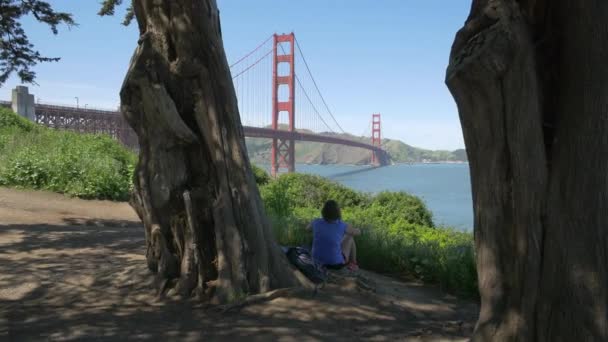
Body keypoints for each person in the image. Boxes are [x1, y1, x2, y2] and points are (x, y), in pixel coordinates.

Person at [305, 200, 361, 271]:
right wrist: (358, 229)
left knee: (338, 240)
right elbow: (357, 233)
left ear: (323, 211)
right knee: (350, 237)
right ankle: (353, 263)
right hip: (335, 264)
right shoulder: (342, 225)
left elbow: (307, 229)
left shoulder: (316, 222)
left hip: (316, 261)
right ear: (337, 212)